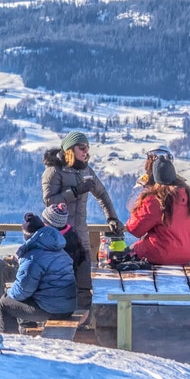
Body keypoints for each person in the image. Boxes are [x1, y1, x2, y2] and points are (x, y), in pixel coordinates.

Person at [42, 130, 120, 326]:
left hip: (81, 236)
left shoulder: (86, 170)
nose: (86, 152)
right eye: (82, 148)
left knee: (84, 284)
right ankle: (57, 322)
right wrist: (74, 192)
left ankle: (82, 326)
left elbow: (102, 194)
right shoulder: (54, 171)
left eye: (88, 148)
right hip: (59, 238)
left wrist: (112, 217)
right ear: (70, 150)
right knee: (60, 282)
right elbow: (49, 201)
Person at [0, 212, 86, 334]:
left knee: (2, 305)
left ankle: (10, 344)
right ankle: (26, 334)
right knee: (20, 301)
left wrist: (8, 292)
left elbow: (22, 291)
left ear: (27, 234)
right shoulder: (58, 250)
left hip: (50, 309)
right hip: (68, 306)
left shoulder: (33, 257)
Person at [124, 148, 190, 266]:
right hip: (186, 256)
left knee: (120, 257)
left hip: (154, 254)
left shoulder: (156, 200)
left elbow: (135, 228)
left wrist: (142, 187)